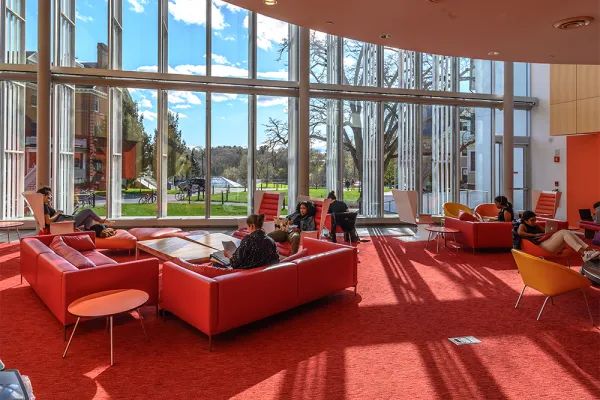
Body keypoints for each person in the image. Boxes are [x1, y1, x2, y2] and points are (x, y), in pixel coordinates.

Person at [514, 211, 600, 262]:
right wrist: (535, 235)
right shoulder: (522, 225)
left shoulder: (535, 226)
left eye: (535, 220)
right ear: (525, 220)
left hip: (545, 243)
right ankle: (584, 253)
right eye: (532, 220)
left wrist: (548, 230)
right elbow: (520, 233)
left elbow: (543, 230)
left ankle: (588, 250)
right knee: (563, 232)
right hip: (540, 247)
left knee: (566, 232)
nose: (534, 222)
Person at [37, 186, 111, 231]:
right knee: (88, 210)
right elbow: (48, 221)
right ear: (43, 196)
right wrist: (58, 213)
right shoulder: (44, 206)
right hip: (63, 223)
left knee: (89, 217)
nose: (50, 197)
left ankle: (87, 231)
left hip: (64, 221)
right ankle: (100, 220)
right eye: (48, 196)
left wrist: (50, 205)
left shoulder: (45, 205)